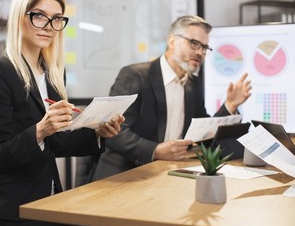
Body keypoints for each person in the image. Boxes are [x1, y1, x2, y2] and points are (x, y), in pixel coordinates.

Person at [0, 0, 124, 226]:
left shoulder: (53, 74)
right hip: (14, 210)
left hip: (51, 199)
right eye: (39, 17)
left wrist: (98, 133)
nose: (49, 26)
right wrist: (40, 130)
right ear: (19, 16)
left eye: (56, 19)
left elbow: (56, 144)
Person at [91, 15, 252, 181]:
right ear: (172, 41)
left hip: (166, 173)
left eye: (205, 47)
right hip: (123, 176)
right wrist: (156, 150)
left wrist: (230, 104)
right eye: (194, 43)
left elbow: (203, 134)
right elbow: (114, 133)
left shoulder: (193, 84)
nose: (200, 52)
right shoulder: (135, 76)